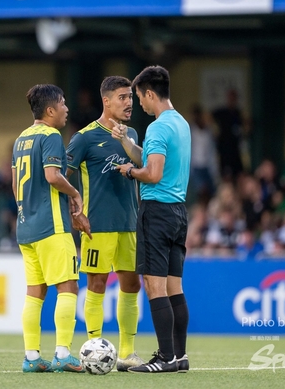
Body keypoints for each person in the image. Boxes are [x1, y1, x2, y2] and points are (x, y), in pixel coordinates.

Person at [113, 66, 191, 373]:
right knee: (174, 288)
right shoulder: (181, 123)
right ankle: (179, 356)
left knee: (154, 286)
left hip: (157, 212)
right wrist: (126, 143)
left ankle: (165, 358)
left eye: (138, 97)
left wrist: (130, 172)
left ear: (149, 93)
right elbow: (154, 159)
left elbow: (153, 173)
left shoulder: (158, 127)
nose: (138, 104)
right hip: (178, 212)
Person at [65, 76, 144, 371]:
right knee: (97, 284)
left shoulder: (131, 134)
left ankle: (127, 353)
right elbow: (62, 176)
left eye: (130, 97)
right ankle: (93, 349)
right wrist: (74, 211)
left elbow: (143, 165)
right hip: (97, 225)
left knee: (132, 284)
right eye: (123, 97)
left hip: (130, 222)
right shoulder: (84, 137)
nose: (129, 103)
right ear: (106, 101)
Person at [13, 84, 90, 373]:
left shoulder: (21, 139)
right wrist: (75, 194)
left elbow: (15, 186)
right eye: (63, 103)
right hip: (51, 226)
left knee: (35, 291)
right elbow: (52, 175)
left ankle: (32, 357)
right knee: (68, 285)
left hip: (26, 227)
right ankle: (62, 354)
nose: (67, 109)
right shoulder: (51, 136)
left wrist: (28, 210)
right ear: (50, 110)